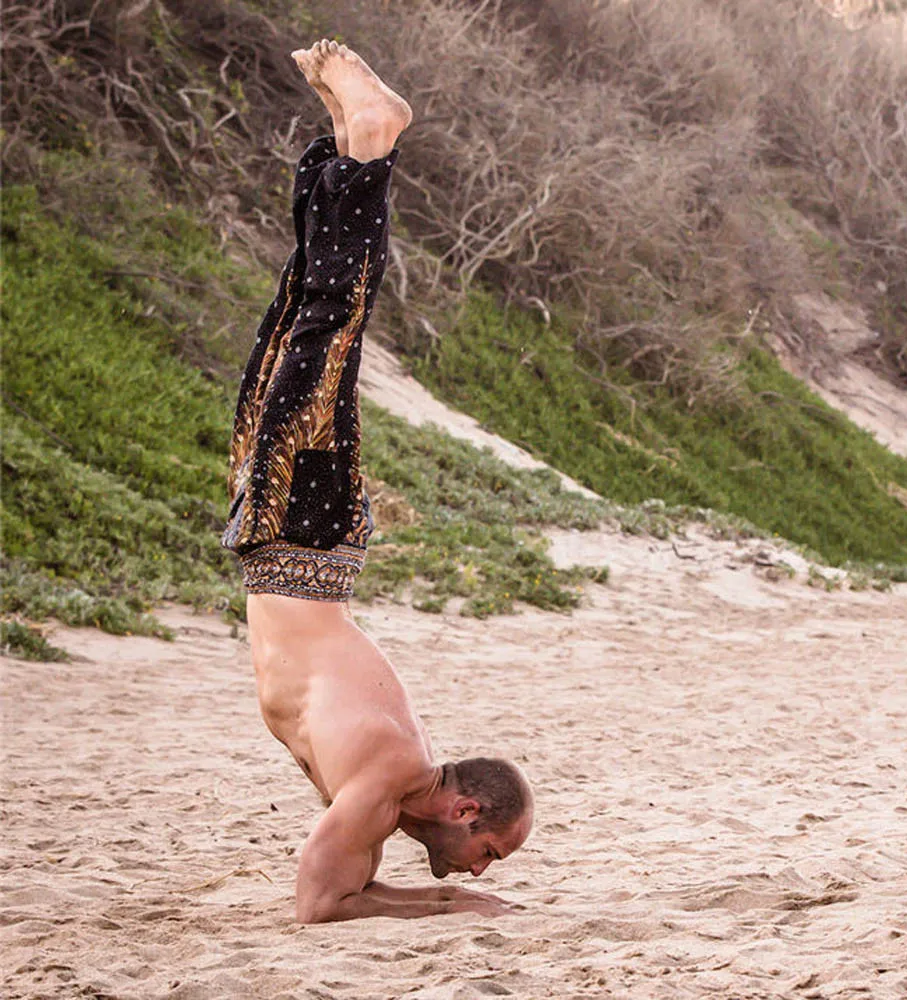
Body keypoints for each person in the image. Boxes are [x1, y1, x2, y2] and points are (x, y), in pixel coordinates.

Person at [220, 39, 534, 923]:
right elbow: (321, 905)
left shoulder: (389, 794)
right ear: (466, 811)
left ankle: (340, 134)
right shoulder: (388, 776)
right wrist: (453, 914)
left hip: (289, 537)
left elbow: (342, 887)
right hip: (298, 537)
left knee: (294, 319)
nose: (478, 872)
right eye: (489, 854)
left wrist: (413, 899)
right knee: (328, 322)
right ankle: (372, 135)